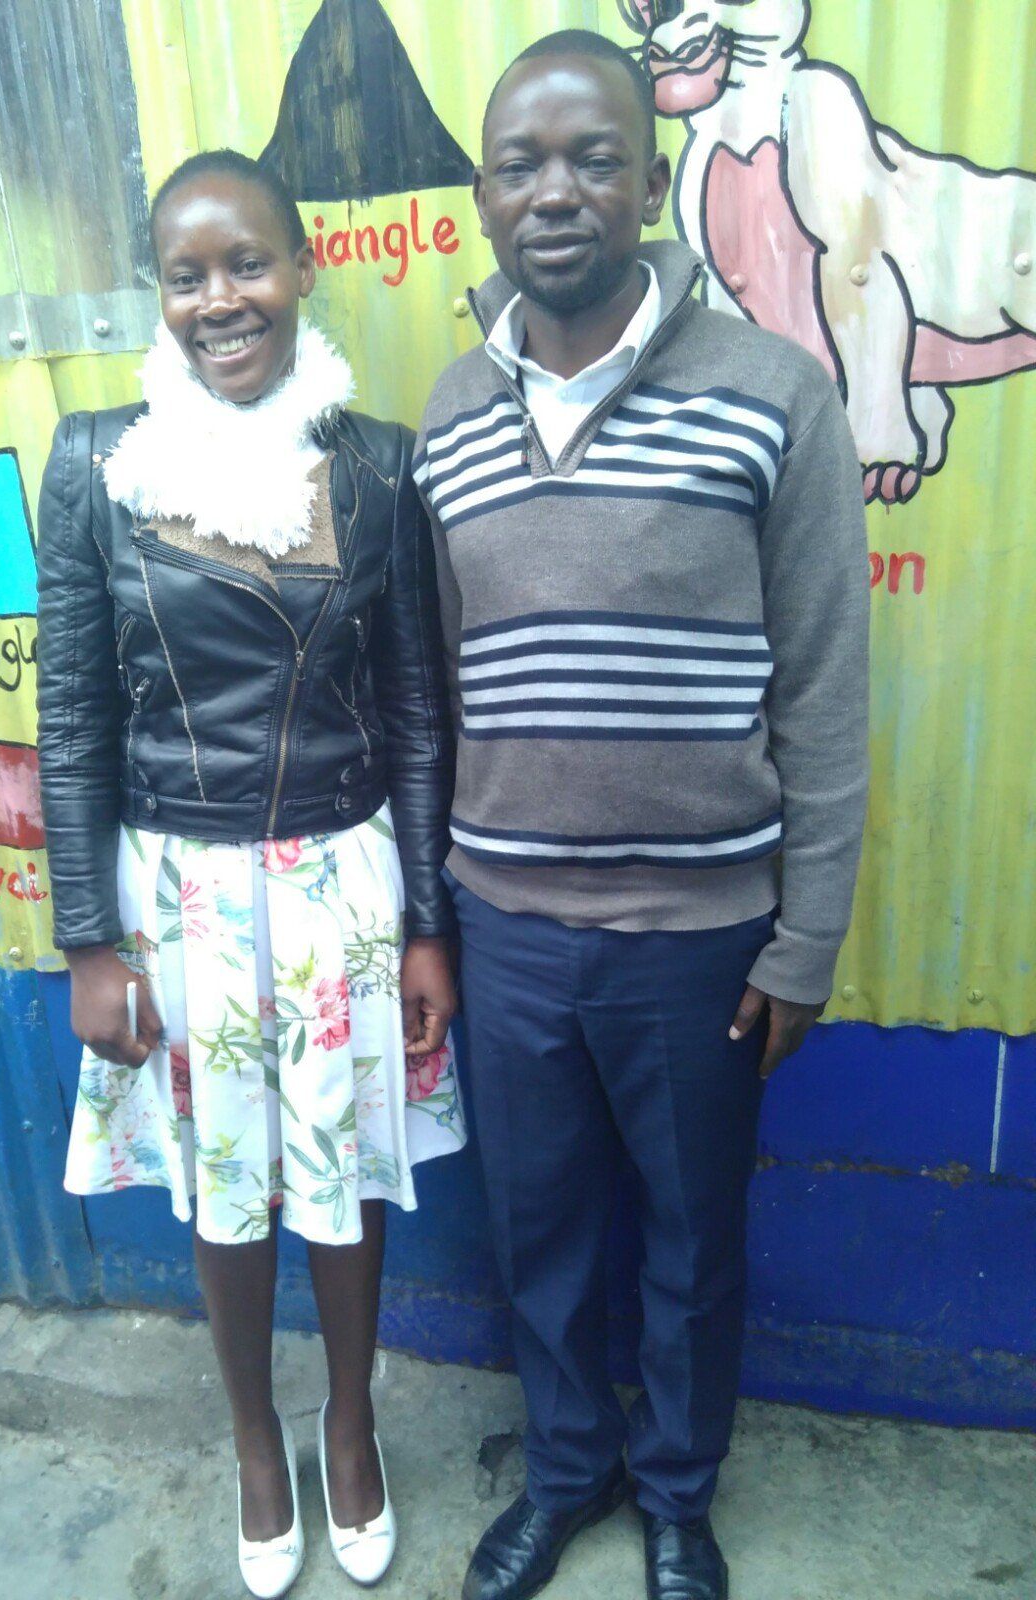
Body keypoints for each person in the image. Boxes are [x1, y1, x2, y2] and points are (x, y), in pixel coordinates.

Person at [415, 33, 869, 1600]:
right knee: (537, 1239)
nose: (557, 192)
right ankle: (565, 1472)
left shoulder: (773, 395)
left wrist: (805, 938)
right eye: (522, 163)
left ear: (650, 176)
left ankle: (676, 1493)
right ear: (482, 199)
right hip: (514, 932)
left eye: (594, 156)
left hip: (701, 941)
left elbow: (820, 682)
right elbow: (445, 691)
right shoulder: (448, 420)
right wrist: (442, 919)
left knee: (689, 1243)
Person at [35, 148, 465, 1599]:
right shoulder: (98, 464)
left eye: (249, 264)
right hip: (183, 899)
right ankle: (255, 1441)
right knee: (227, 1185)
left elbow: (415, 710)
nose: (223, 299)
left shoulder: (375, 463)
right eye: (188, 274)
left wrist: (430, 923)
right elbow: (76, 713)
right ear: (159, 295)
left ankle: (349, 1425)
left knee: (342, 1172)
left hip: (345, 885)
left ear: (303, 267)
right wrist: (90, 939)